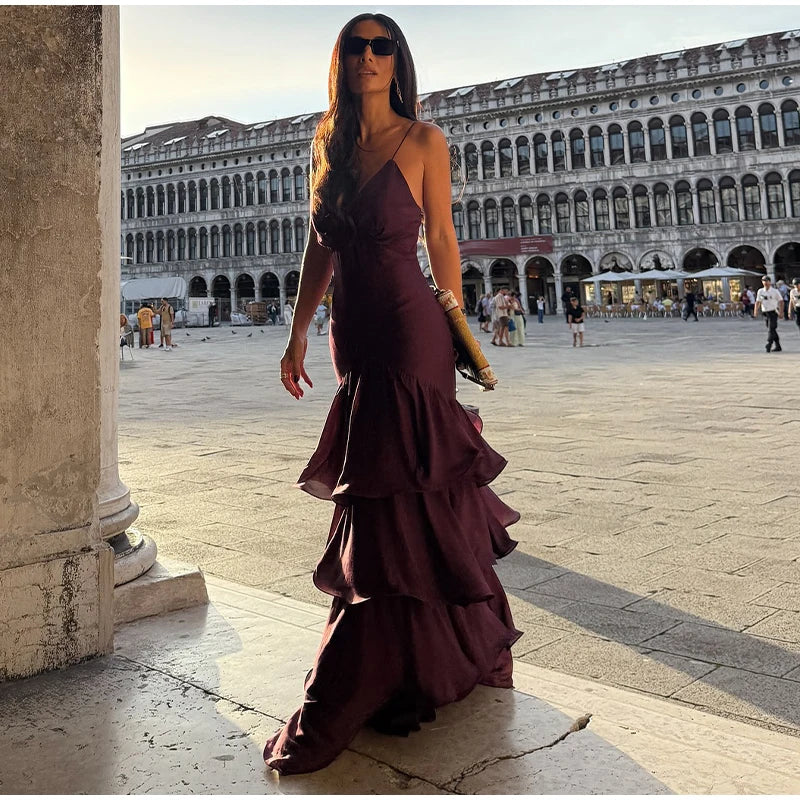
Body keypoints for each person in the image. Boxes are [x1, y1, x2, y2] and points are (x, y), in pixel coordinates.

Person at [267, 13, 519, 775]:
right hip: (354, 331)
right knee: (375, 485)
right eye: (357, 46)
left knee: (411, 476)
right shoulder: (327, 143)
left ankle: (392, 662)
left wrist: (458, 327)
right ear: (340, 60)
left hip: (412, 327)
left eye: (383, 47)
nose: (369, 57)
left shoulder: (423, 140)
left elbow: (440, 237)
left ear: (398, 62)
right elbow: (319, 246)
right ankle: (407, 657)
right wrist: (299, 330)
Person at [754, 275, 783, 352]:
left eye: (767, 281)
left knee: (771, 328)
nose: (765, 283)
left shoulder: (774, 291)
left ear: (770, 282)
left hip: (773, 312)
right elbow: (758, 301)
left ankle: (769, 343)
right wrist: (756, 311)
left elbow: (781, 301)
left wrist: (781, 312)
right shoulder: (760, 291)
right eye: (764, 281)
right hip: (765, 312)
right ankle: (778, 345)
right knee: (772, 329)